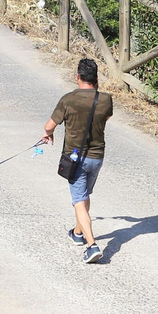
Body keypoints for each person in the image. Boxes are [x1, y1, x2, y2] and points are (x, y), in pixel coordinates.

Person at [41, 58, 113, 264]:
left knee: (79, 200)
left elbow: (48, 126)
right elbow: (104, 118)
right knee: (84, 196)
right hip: (97, 157)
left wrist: (49, 135)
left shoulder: (68, 100)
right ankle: (77, 232)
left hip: (75, 158)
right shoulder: (106, 100)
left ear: (77, 77)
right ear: (96, 79)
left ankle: (92, 246)